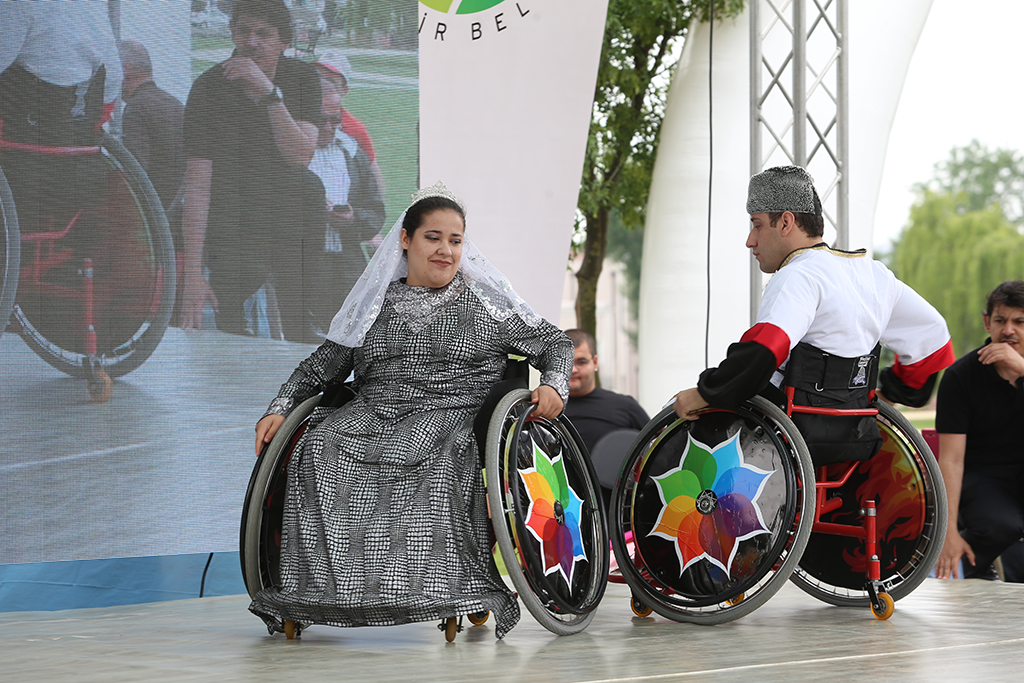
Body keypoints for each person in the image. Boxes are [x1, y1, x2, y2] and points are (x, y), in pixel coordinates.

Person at [249, 182, 574, 639]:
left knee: (432, 456)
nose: (445, 250)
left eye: (455, 240)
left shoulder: (486, 304)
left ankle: (447, 588)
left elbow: (555, 343)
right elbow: (320, 366)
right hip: (375, 409)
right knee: (319, 444)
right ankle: (320, 591)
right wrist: (280, 407)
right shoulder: (372, 307)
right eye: (433, 237)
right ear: (406, 239)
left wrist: (555, 384)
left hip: (451, 412)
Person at [672, 166, 955, 468]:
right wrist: (889, 394)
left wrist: (706, 393)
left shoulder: (799, 275)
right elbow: (933, 336)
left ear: (785, 222)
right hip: (854, 433)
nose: (750, 240)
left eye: (756, 225)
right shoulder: (875, 275)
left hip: (785, 433)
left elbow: (762, 352)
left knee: (676, 425)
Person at [181, 0, 326, 341]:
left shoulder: (302, 77)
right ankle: (232, 338)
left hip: (287, 207)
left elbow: (301, 155)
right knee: (232, 305)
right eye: (244, 31)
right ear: (232, 33)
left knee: (310, 185)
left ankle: (301, 325)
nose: (252, 42)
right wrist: (192, 274)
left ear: (283, 42)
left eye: (264, 34)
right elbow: (198, 188)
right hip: (230, 208)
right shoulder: (207, 89)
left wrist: (269, 95)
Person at [0, 2, 122, 229]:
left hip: (18, 163)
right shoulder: (92, 6)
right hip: (75, 166)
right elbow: (113, 79)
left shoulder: (18, 5)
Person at [934, 281, 1024, 581]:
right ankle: (974, 567)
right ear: (988, 322)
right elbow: (951, 460)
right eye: (1001, 321)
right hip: (984, 477)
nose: (1008, 330)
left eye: (1019, 322)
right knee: (1001, 526)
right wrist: (946, 534)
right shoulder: (960, 377)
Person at [307, 81, 385, 331]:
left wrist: (353, 219)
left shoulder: (351, 151)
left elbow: (375, 210)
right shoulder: (289, 153)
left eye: (335, 119)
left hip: (347, 266)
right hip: (304, 267)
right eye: (321, 121)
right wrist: (316, 214)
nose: (329, 128)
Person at [119, 40, 185, 212]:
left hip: (155, 214)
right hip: (177, 209)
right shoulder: (174, 103)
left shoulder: (136, 108)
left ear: (124, 71)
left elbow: (136, 171)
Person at [562, 328, 648, 453]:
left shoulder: (625, 406)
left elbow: (658, 449)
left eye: (581, 362)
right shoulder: (539, 410)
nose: (573, 369)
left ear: (595, 362)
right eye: (566, 362)